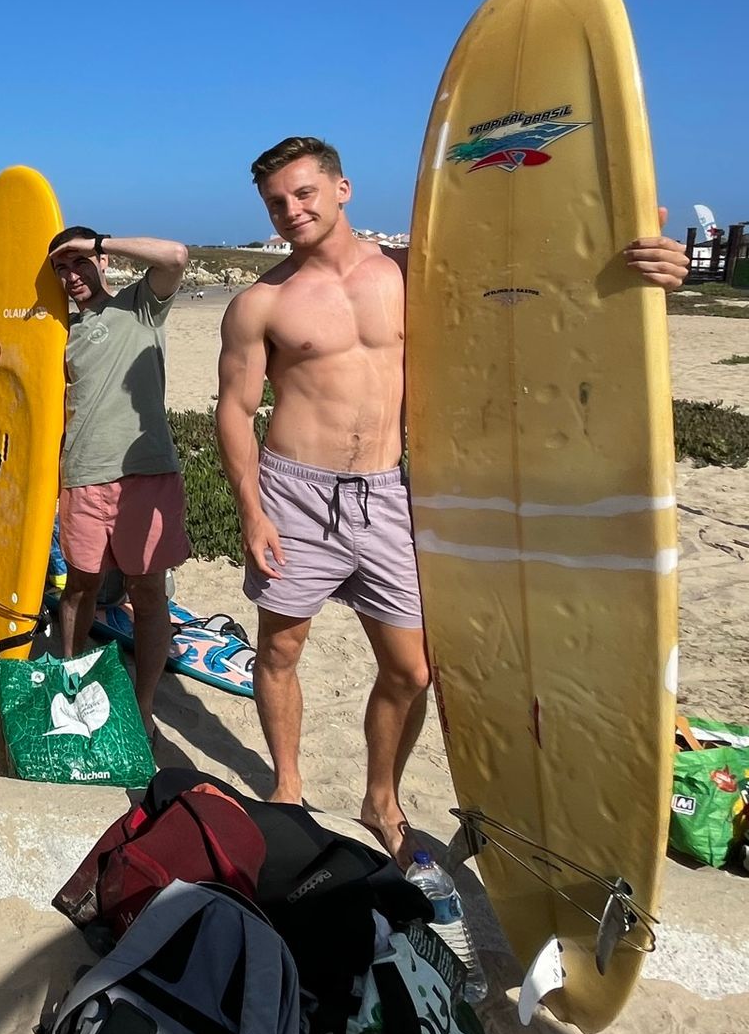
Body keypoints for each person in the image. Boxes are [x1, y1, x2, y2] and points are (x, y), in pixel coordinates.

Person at [216, 135, 691, 858]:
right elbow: (233, 408)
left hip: (385, 494)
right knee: (280, 650)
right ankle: (287, 787)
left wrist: (643, 265)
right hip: (295, 494)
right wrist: (252, 512)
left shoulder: (412, 272)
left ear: (343, 190)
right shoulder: (261, 301)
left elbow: (532, 288)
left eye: (305, 192)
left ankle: (382, 801)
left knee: (412, 669)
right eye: (277, 202)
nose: (291, 211)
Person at [45, 226, 192, 735]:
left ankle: (144, 705)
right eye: (60, 268)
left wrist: (98, 243)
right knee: (79, 587)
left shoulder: (140, 307)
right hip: (82, 477)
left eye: (79, 262)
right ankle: (72, 678)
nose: (72, 275)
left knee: (148, 591)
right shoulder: (58, 331)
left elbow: (175, 253)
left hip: (144, 476)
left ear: (101, 262)